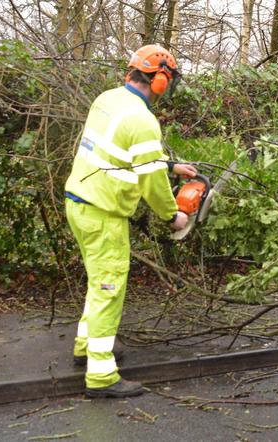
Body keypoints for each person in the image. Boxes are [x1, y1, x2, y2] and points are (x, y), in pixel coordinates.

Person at [63, 44, 197, 398]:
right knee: (109, 287)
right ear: (160, 81)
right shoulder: (143, 120)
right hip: (103, 212)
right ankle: (102, 376)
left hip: (78, 202)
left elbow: (118, 149)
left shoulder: (107, 99)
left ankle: (85, 346)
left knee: (97, 279)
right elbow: (150, 182)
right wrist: (174, 216)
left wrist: (170, 165)